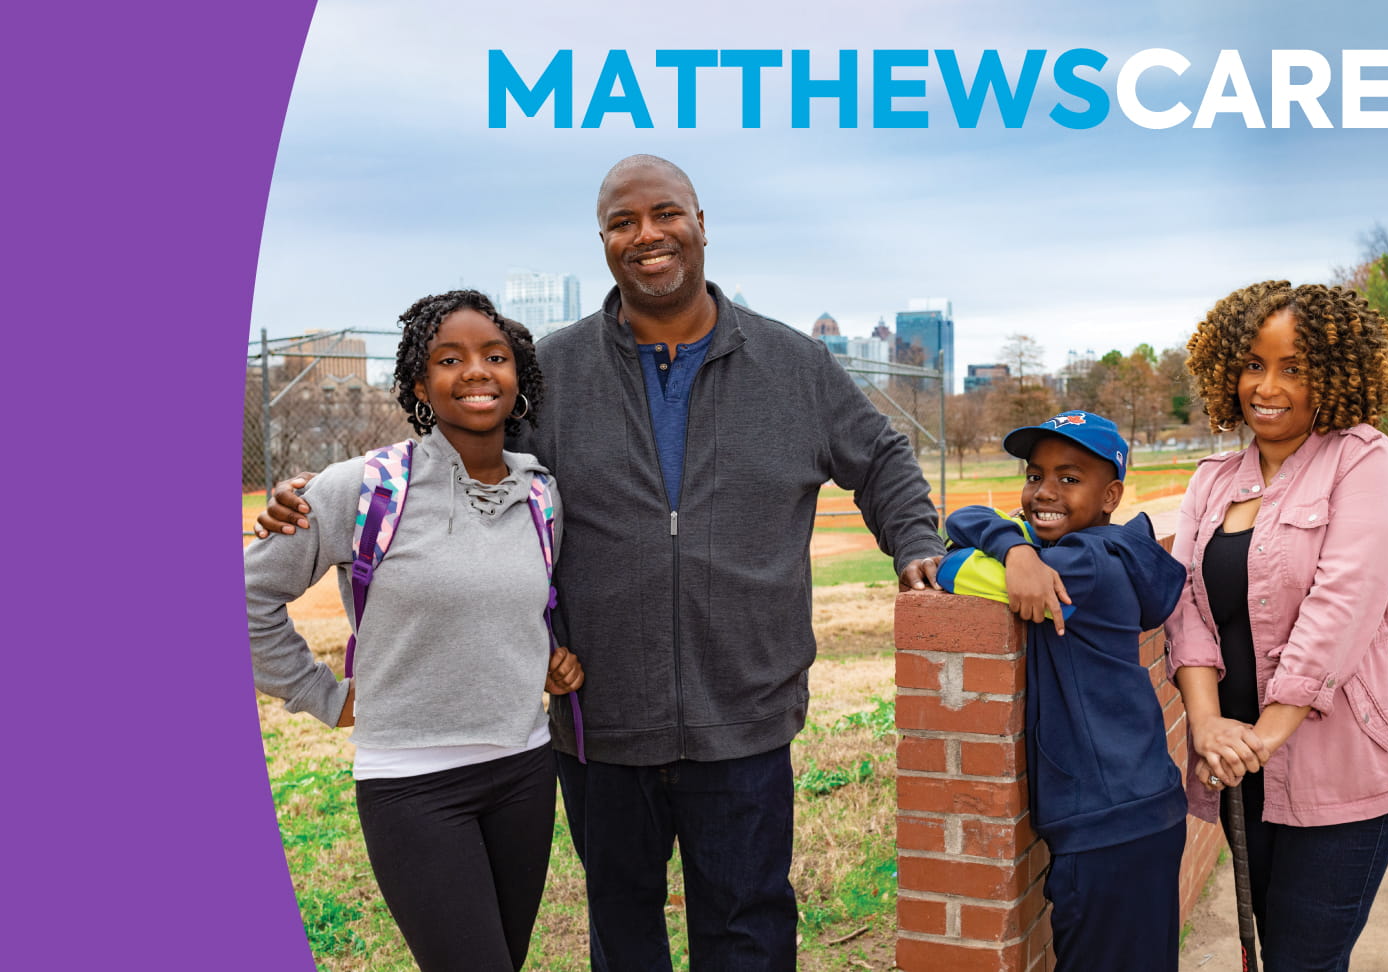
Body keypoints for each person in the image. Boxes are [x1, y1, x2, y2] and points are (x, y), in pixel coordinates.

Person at [258, 155, 948, 970]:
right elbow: (457, 456)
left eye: (666, 214)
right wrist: (320, 493)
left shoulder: (792, 364)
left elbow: (881, 456)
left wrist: (917, 546)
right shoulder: (552, 370)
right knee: (624, 931)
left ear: (700, 225)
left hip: (746, 713)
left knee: (750, 926)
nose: (647, 235)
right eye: (623, 222)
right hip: (599, 720)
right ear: (603, 241)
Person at [246, 290, 584, 972]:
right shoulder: (365, 488)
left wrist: (545, 657)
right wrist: (323, 694)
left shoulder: (541, 494)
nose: (476, 372)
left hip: (522, 768)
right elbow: (247, 597)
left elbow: (510, 602)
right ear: (420, 383)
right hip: (414, 783)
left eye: (495, 356)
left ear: (519, 375)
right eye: (449, 359)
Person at [1167, 280, 1388, 969]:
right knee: (1277, 943)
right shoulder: (1212, 481)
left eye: (1294, 367)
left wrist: (1264, 736)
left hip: (1346, 762)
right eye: (1253, 363)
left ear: (1336, 376)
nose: (1268, 386)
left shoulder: (1364, 459)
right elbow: (1188, 609)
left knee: (1302, 959)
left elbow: (1342, 606)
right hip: (1240, 761)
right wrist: (1207, 727)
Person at [939, 410, 1189, 971]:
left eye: (1070, 478)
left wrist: (1011, 552)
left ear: (1111, 495)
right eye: (1034, 476)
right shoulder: (1101, 549)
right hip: (1136, 809)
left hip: (1107, 827)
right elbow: (966, 513)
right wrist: (1019, 548)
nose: (1044, 492)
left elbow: (950, 566)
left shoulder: (1082, 567)